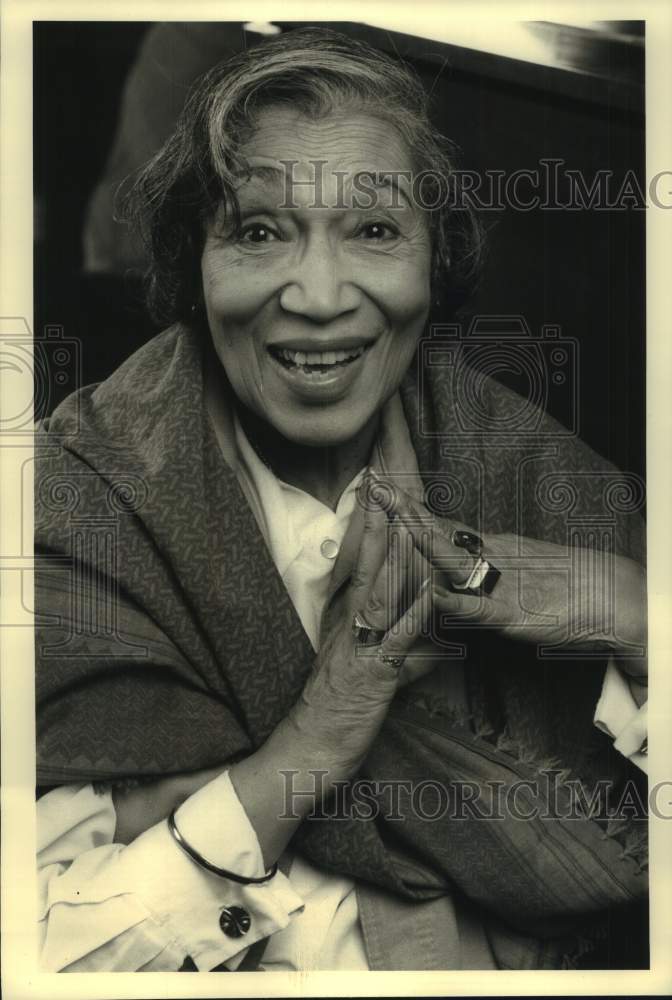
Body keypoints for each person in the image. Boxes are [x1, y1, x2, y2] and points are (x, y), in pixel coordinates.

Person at [35, 27, 648, 973]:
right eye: (258, 231)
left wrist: (637, 618)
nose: (319, 296)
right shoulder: (72, 511)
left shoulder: (542, 476)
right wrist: (313, 740)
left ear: (432, 263)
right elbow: (34, 950)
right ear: (191, 266)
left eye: (372, 230)